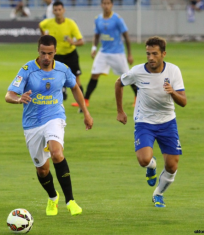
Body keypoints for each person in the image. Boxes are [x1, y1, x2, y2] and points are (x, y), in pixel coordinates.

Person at [5, 35, 93, 216]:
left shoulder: (63, 69)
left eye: (50, 53)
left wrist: (86, 112)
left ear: (55, 52)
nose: (46, 57)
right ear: (38, 51)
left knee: (56, 153)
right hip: (32, 124)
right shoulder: (27, 70)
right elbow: (9, 95)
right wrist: (18, 99)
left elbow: (75, 87)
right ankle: (53, 197)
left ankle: (71, 201)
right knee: (42, 170)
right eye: (43, 53)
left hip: (55, 116)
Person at [115, 36, 187, 208]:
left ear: (163, 54)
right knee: (143, 160)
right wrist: (120, 111)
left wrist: (172, 92)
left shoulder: (174, 71)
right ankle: (151, 165)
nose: (151, 58)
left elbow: (183, 102)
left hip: (168, 122)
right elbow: (119, 83)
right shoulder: (138, 71)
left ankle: (158, 193)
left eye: (154, 54)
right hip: (144, 122)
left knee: (172, 165)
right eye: (148, 54)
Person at [71, 0, 137, 109]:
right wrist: (93, 48)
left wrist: (129, 54)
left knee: (127, 76)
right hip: (103, 52)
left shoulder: (117, 19)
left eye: (108, 3)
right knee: (94, 74)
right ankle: (86, 100)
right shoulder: (98, 19)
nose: (106, 6)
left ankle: (137, 97)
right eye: (104, 3)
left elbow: (126, 36)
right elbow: (97, 35)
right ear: (101, 5)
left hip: (117, 53)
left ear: (112, 5)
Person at [39, 1, 84, 104]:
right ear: (53, 12)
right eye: (55, 10)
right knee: (54, 77)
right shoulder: (48, 23)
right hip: (57, 55)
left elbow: (81, 41)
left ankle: (81, 103)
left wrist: (73, 43)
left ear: (64, 10)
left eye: (60, 10)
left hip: (70, 54)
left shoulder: (71, 23)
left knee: (76, 80)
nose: (58, 12)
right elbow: (40, 25)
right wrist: (43, 37)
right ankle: (58, 96)